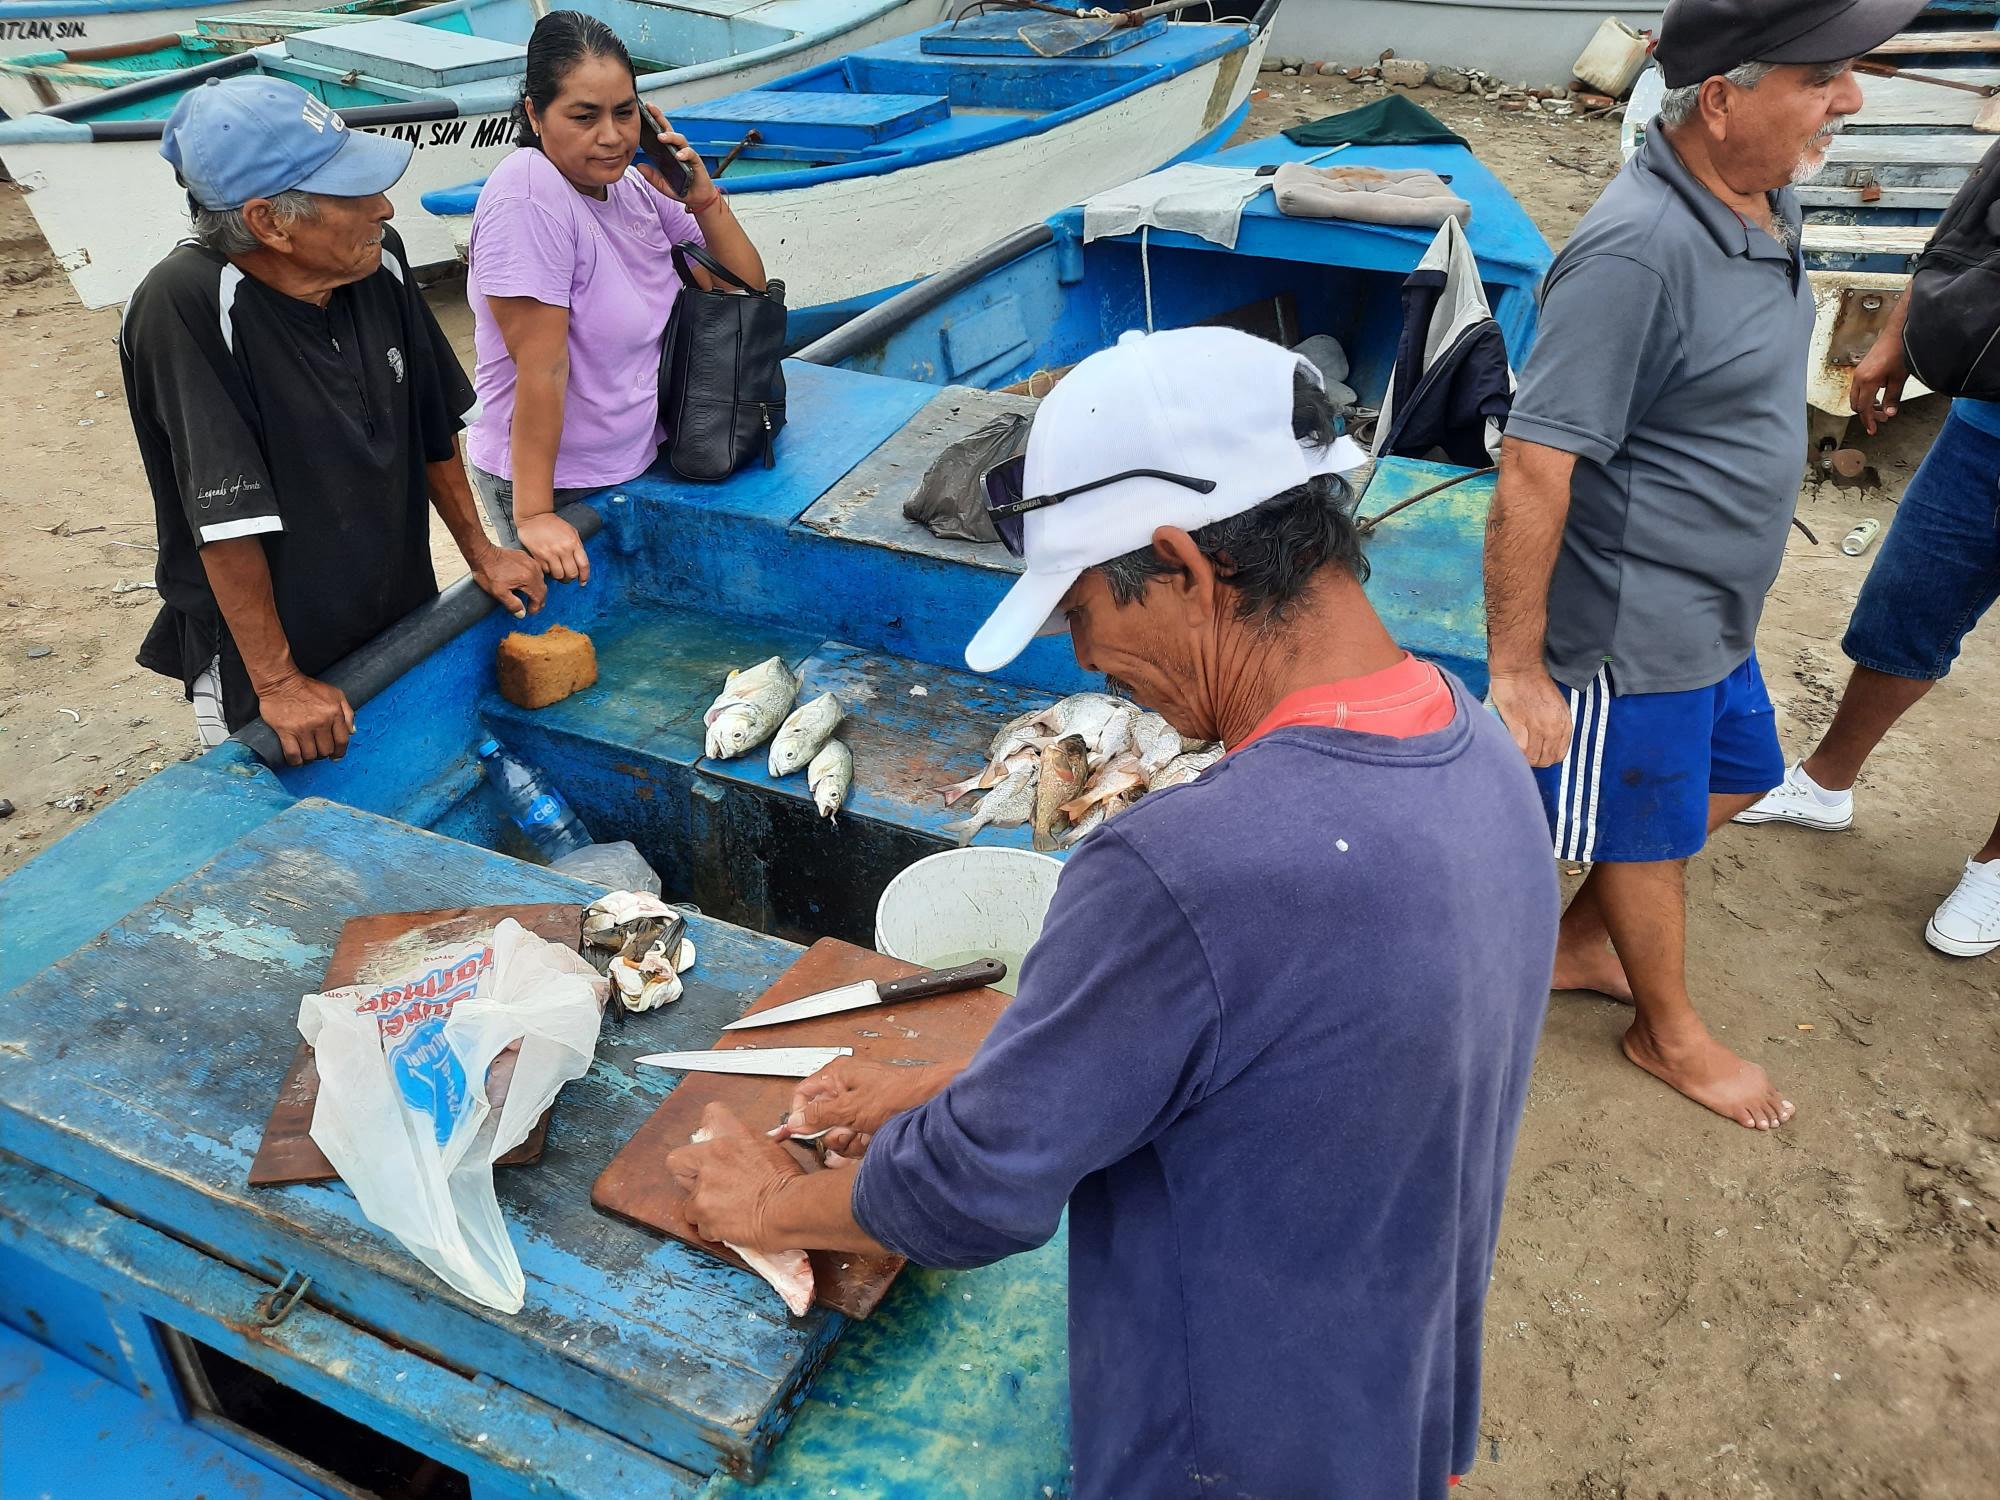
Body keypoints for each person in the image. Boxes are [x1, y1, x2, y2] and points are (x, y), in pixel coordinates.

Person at [668, 328, 1559, 1499]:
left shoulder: (1181, 866)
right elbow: (1284, 1053)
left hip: (1220, 1452)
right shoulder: (1474, 742)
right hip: (1385, 1401)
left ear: (1186, 567)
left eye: (1080, 607)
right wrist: (971, 1078)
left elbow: (968, 1194)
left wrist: (771, 1200)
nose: (1084, 658)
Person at [1483, 0, 1923, 1131]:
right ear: (1720, 98)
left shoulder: (1765, 187)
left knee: (1735, 777)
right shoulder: (1635, 250)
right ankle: (1664, 1032)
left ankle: (1584, 945)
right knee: (1645, 827)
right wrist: (1521, 672)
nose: (1851, 97)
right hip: (1631, 628)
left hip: (1713, 612)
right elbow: (1534, 467)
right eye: (1821, 76)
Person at [122, 76, 546, 766]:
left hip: (393, 603)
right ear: (268, 222)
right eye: (352, 193)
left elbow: (432, 425)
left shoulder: (379, 259)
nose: (382, 206)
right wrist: (279, 682)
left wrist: (482, 552)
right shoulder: (186, 305)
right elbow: (223, 519)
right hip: (268, 656)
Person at [1735, 187, 2000, 958]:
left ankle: (1996, 863)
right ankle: (1824, 782)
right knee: (1907, 602)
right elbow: (1966, 228)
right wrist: (1895, 334)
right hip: (1987, 424)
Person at [463, 10, 767, 583]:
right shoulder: (528, 198)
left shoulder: (630, 186)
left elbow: (739, 287)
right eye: (584, 116)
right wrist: (535, 514)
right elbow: (542, 367)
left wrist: (700, 194)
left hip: (640, 454)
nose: (611, 136)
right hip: (557, 479)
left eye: (625, 113)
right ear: (534, 113)